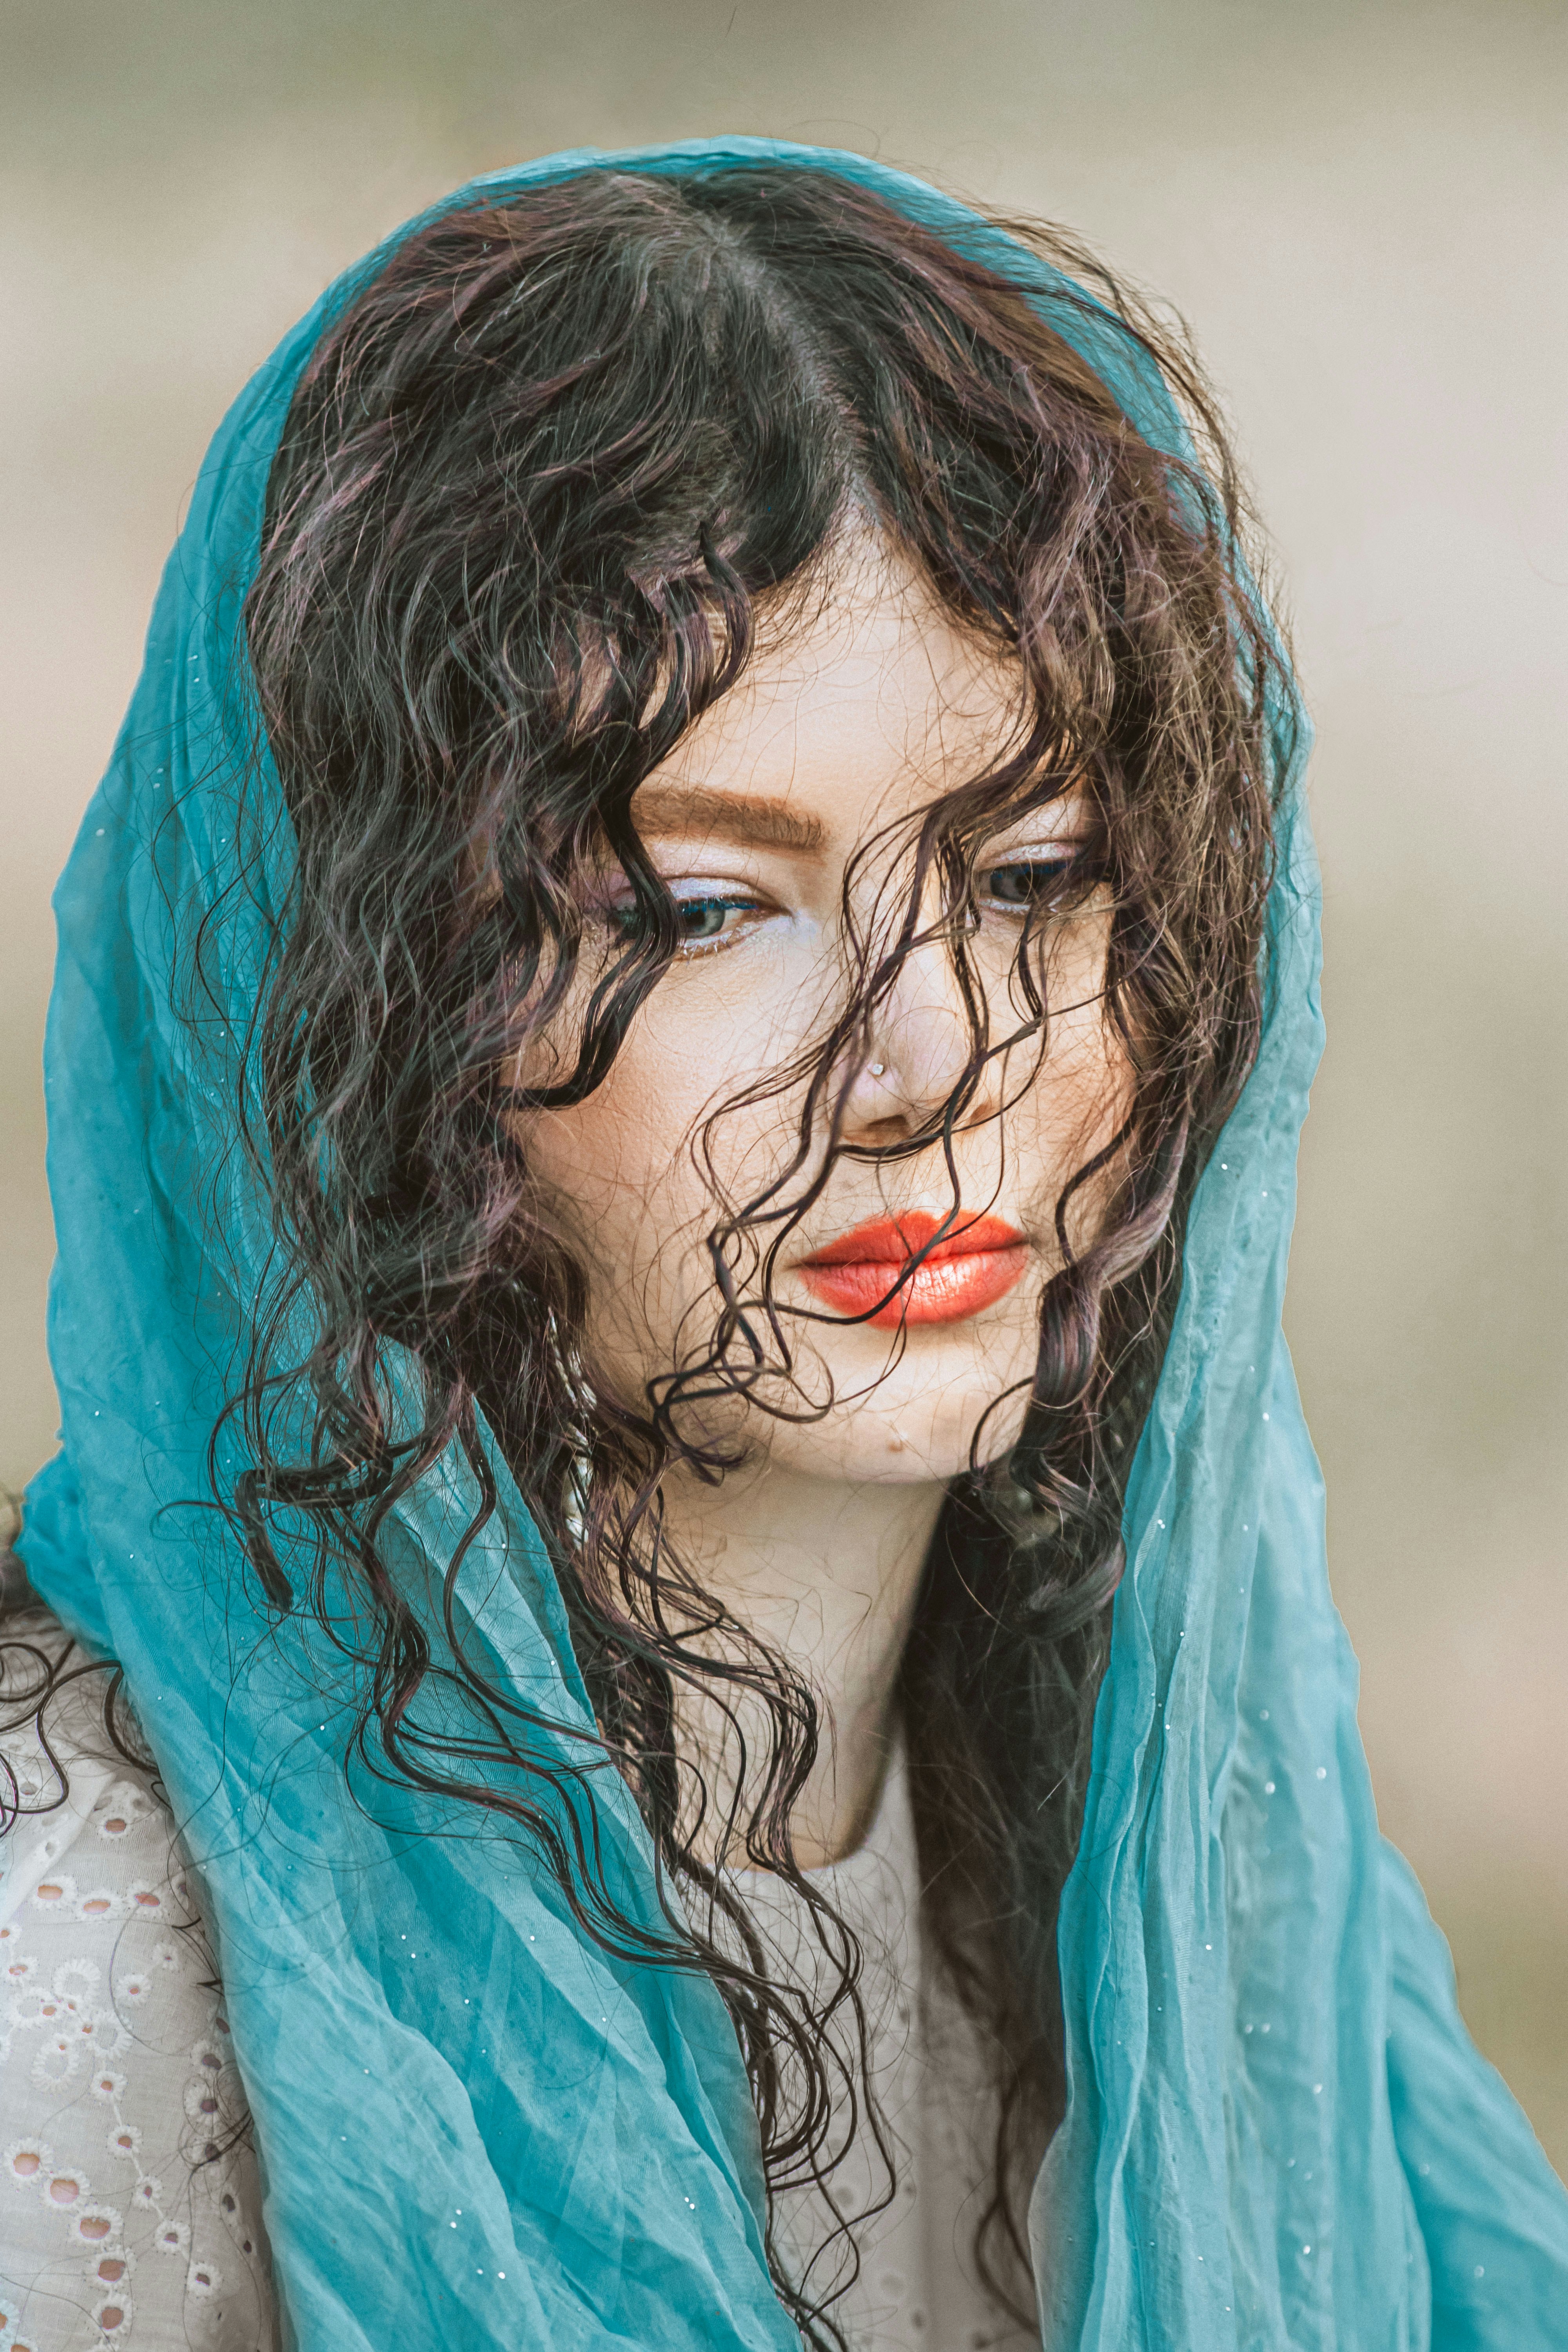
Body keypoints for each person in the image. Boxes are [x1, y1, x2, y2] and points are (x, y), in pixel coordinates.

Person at [2, 139, 1564, 2352]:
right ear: (349, 1004)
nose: (923, 1057)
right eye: (703, 908)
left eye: (1032, 876)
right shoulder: (79, 1995)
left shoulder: (1185, 1903)